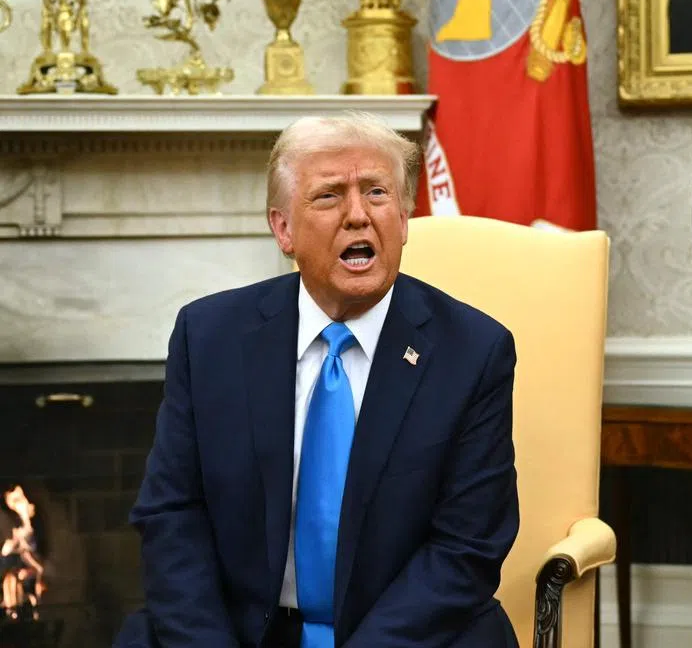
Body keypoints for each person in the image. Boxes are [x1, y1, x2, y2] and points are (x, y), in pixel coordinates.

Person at [114, 115, 520, 648]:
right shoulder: (208, 337)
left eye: (376, 192)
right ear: (283, 229)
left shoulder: (473, 350)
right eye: (329, 197)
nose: (358, 215)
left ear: (403, 217)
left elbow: (466, 548)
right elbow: (173, 513)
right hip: (244, 631)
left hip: (409, 633)